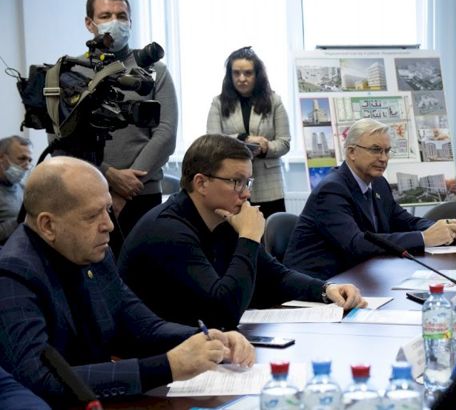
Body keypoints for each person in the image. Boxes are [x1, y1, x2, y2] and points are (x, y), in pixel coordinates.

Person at [0, 156, 254, 406]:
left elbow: (142, 327)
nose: (109, 225)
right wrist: (167, 366)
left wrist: (208, 340)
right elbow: (40, 380)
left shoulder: (93, 252)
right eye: (92, 216)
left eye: (108, 209)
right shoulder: (13, 274)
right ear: (47, 225)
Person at [118, 134, 365, 331]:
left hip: (201, 340)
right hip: (155, 356)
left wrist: (325, 290)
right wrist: (248, 237)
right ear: (201, 183)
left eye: (248, 182)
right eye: (236, 182)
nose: (246, 193)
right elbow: (224, 311)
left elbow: (275, 276)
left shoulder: (223, 217)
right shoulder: (168, 231)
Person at [284, 118, 456, 280]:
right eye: (375, 150)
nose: (384, 158)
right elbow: (356, 244)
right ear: (351, 152)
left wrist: (444, 228)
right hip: (318, 285)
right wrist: (424, 238)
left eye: (387, 151)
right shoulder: (332, 190)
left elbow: (405, 221)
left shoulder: (379, 183)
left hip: (359, 276)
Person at [83, 0, 178, 236]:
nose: (115, 22)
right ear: (90, 23)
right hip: (88, 191)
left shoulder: (155, 70)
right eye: (106, 16)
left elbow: (166, 133)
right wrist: (109, 175)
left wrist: (128, 187)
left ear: (131, 22)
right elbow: (64, 141)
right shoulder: (73, 72)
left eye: (121, 16)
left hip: (144, 192)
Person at [206, 46, 290, 218]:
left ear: (257, 75)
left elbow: (284, 142)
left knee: (269, 232)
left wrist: (266, 147)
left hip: (269, 185)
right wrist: (243, 138)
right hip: (232, 184)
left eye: (248, 73)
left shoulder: (274, 101)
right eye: (236, 73)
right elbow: (211, 141)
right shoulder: (218, 103)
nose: (241, 78)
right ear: (229, 75)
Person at [0, 135, 32, 244]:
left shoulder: (23, 188)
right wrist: (22, 219)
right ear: (1, 158)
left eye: (29, 160)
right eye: (22, 159)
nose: (27, 166)